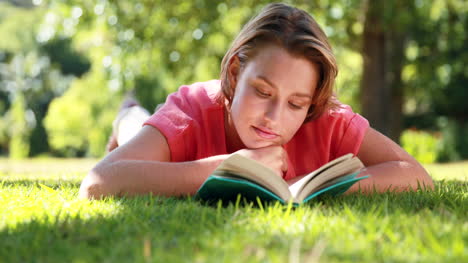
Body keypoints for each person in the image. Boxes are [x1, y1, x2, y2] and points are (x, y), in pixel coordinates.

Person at [79, 3, 433, 200]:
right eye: (263, 92)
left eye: (296, 103)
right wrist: (231, 168)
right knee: (134, 127)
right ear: (234, 74)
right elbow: (98, 183)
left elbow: (416, 175)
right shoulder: (189, 112)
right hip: (168, 126)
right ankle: (127, 114)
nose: (273, 118)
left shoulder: (326, 118)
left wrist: (319, 185)